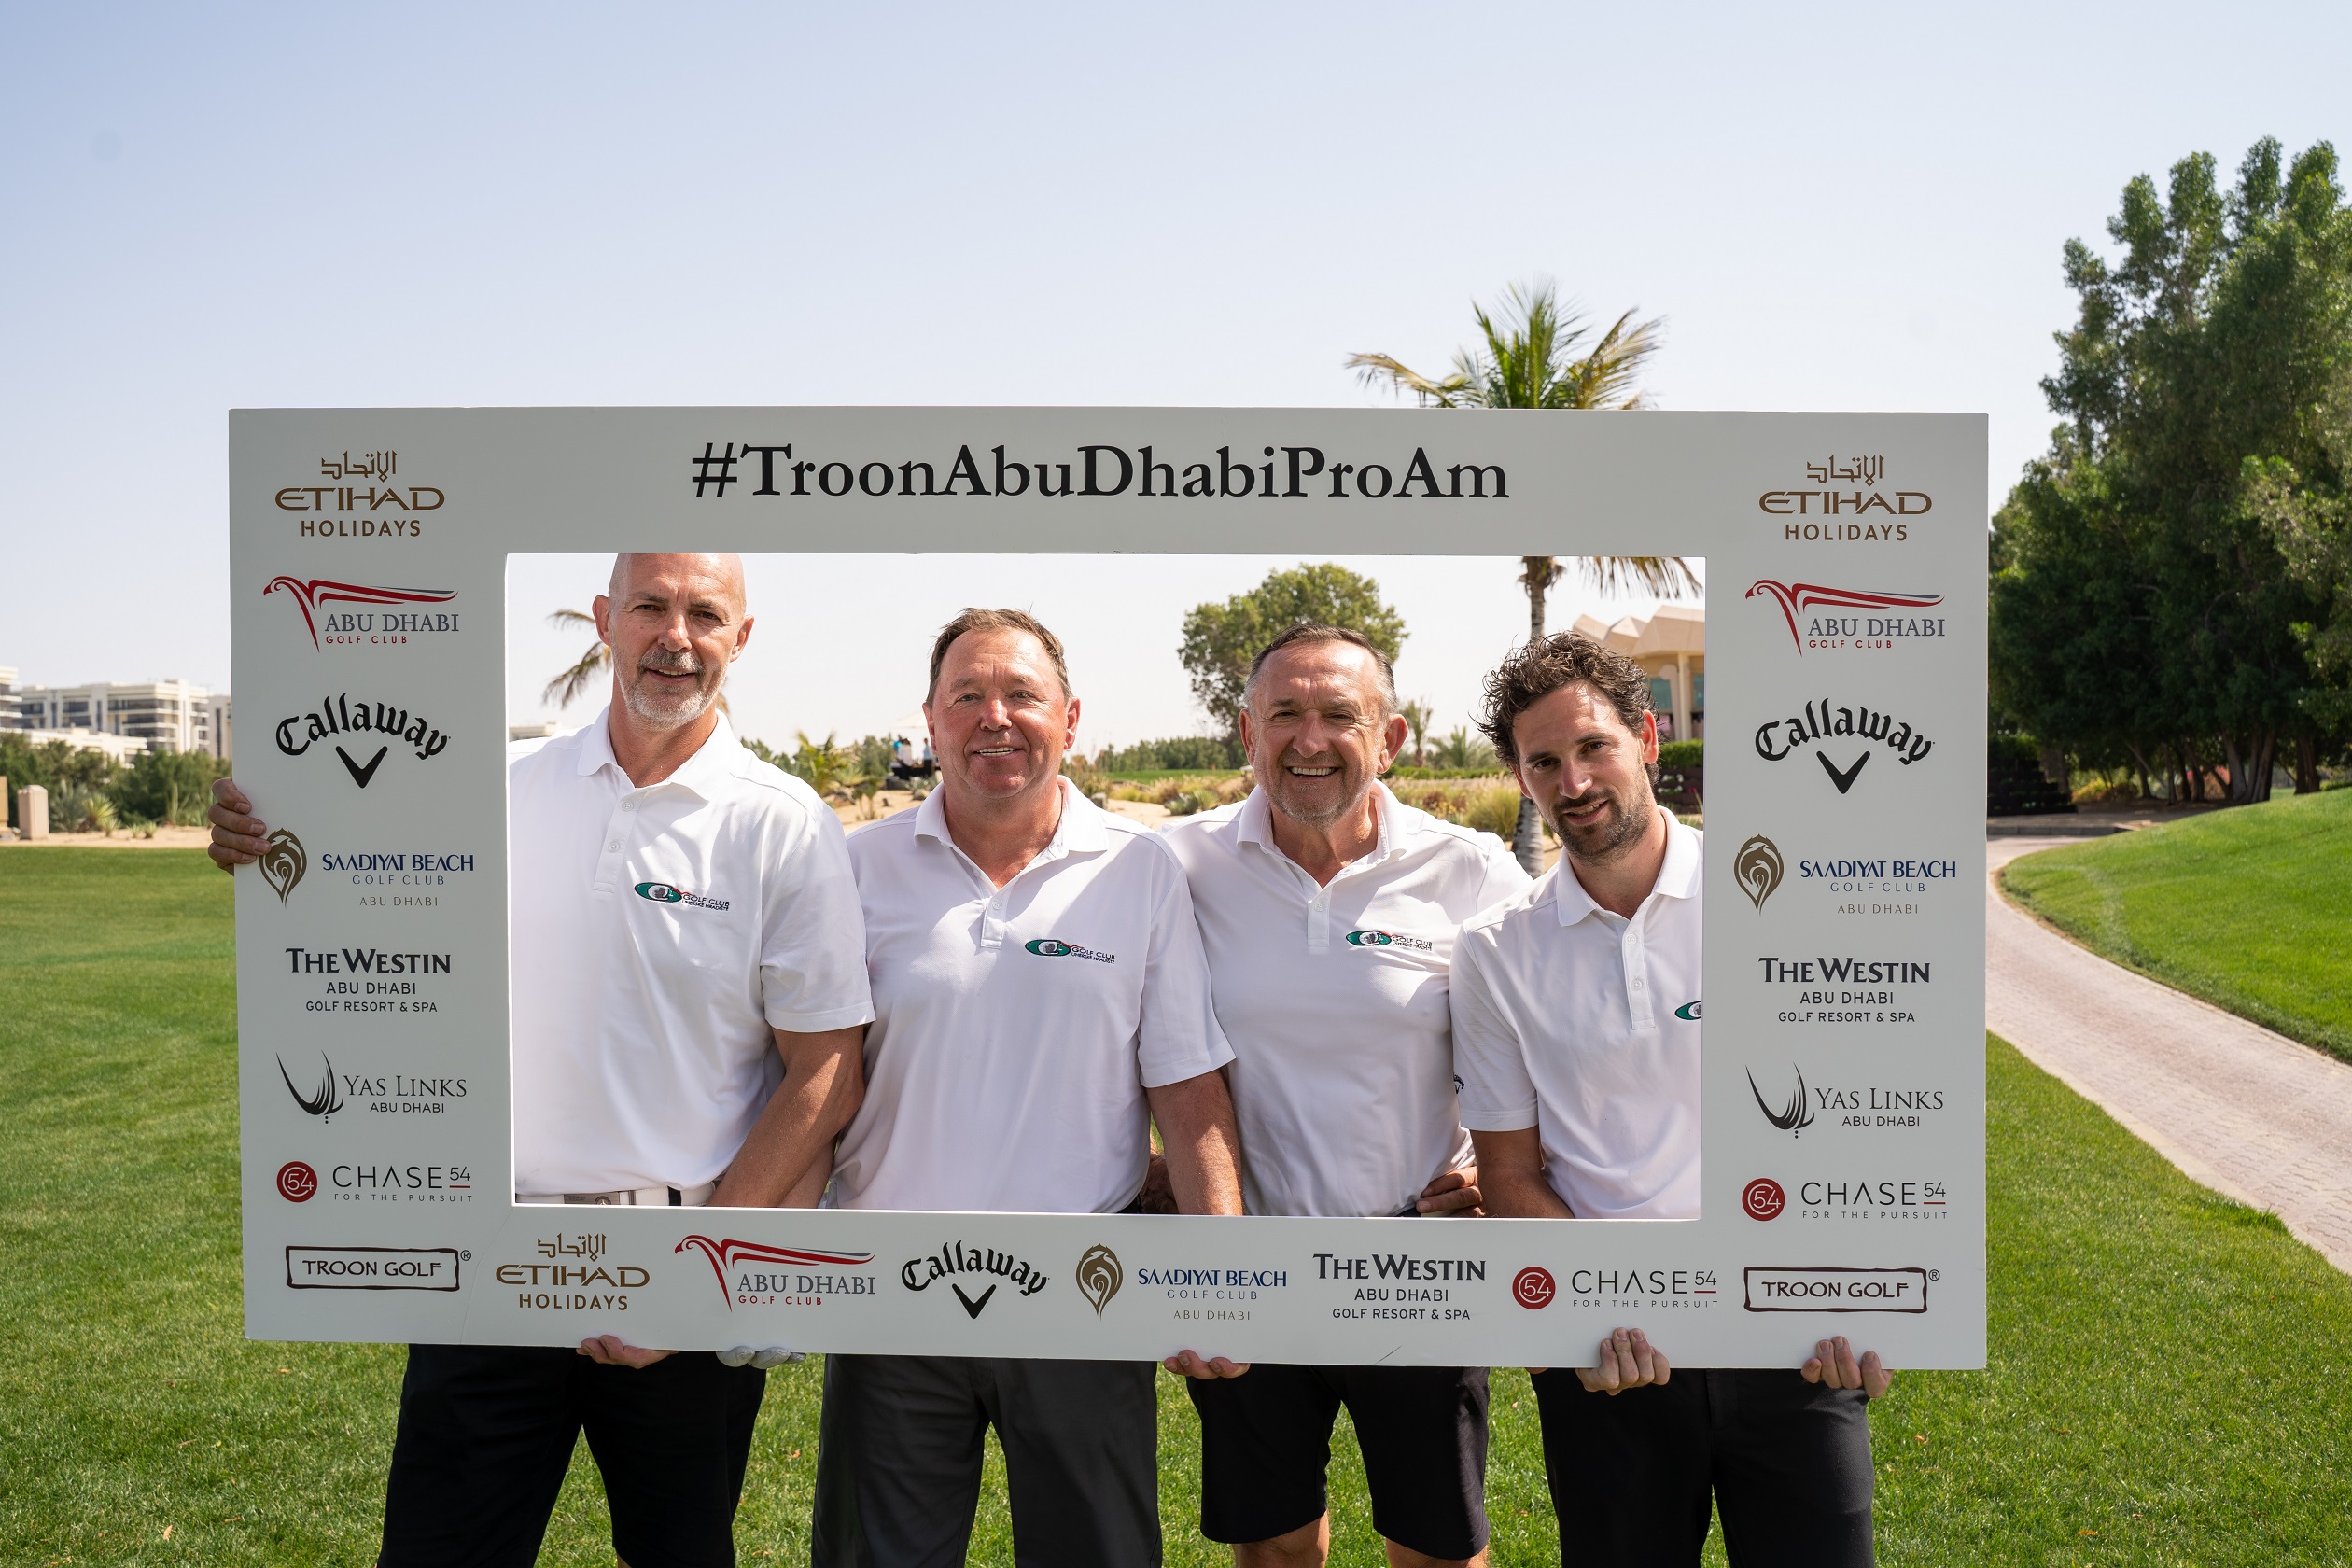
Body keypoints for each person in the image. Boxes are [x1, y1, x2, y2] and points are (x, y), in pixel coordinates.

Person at [211, 553, 874, 1568]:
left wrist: (695, 1276)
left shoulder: (783, 824)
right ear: (604, 619)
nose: (676, 637)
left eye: (705, 614)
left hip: (672, 1269)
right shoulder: (500, 789)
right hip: (489, 1262)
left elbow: (824, 1073)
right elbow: (350, 876)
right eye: (649, 606)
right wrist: (260, 838)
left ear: (741, 638)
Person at [811, 607, 1248, 1568]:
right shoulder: (855, 866)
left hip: (1081, 1295)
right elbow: (814, 1077)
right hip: (893, 1296)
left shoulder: (1139, 869)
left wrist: (1219, 1283)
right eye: (967, 695)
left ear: (1071, 718)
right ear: (931, 721)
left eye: (1022, 694)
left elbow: (1187, 1087)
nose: (994, 717)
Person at [1449, 630, 1892, 1568]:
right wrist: (1604, 1308)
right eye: (1544, 762)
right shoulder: (1494, 951)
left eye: (1594, 746)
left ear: (1647, 738)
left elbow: (1864, 1121)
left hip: (1790, 1339)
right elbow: (1510, 1174)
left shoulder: (1783, 897)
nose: (1574, 781)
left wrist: (1868, 1295)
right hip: (1614, 1357)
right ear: (1521, 777)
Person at [1161, 623, 1530, 1568]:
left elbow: (1549, 1046)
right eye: (1285, 713)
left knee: (1438, 1550)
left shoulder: (1471, 870)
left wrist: (1500, 1177)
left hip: (1418, 1266)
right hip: (1253, 1260)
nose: (1310, 739)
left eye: (1339, 714)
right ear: (1248, 733)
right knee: (1276, 1549)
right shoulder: (1176, 865)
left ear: (1390, 739)